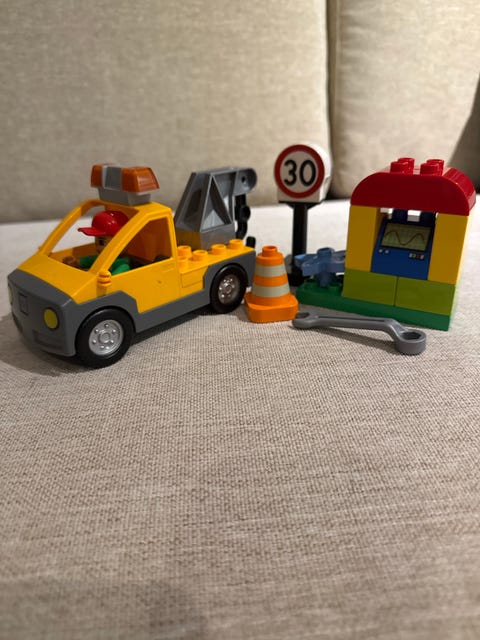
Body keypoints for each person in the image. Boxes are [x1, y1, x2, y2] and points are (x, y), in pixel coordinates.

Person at [63, 210, 131, 274]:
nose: (97, 246)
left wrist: (104, 279)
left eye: (101, 241)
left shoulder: (122, 265)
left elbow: (114, 279)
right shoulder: (101, 258)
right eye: (96, 240)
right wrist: (76, 262)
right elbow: (89, 260)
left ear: (121, 243)